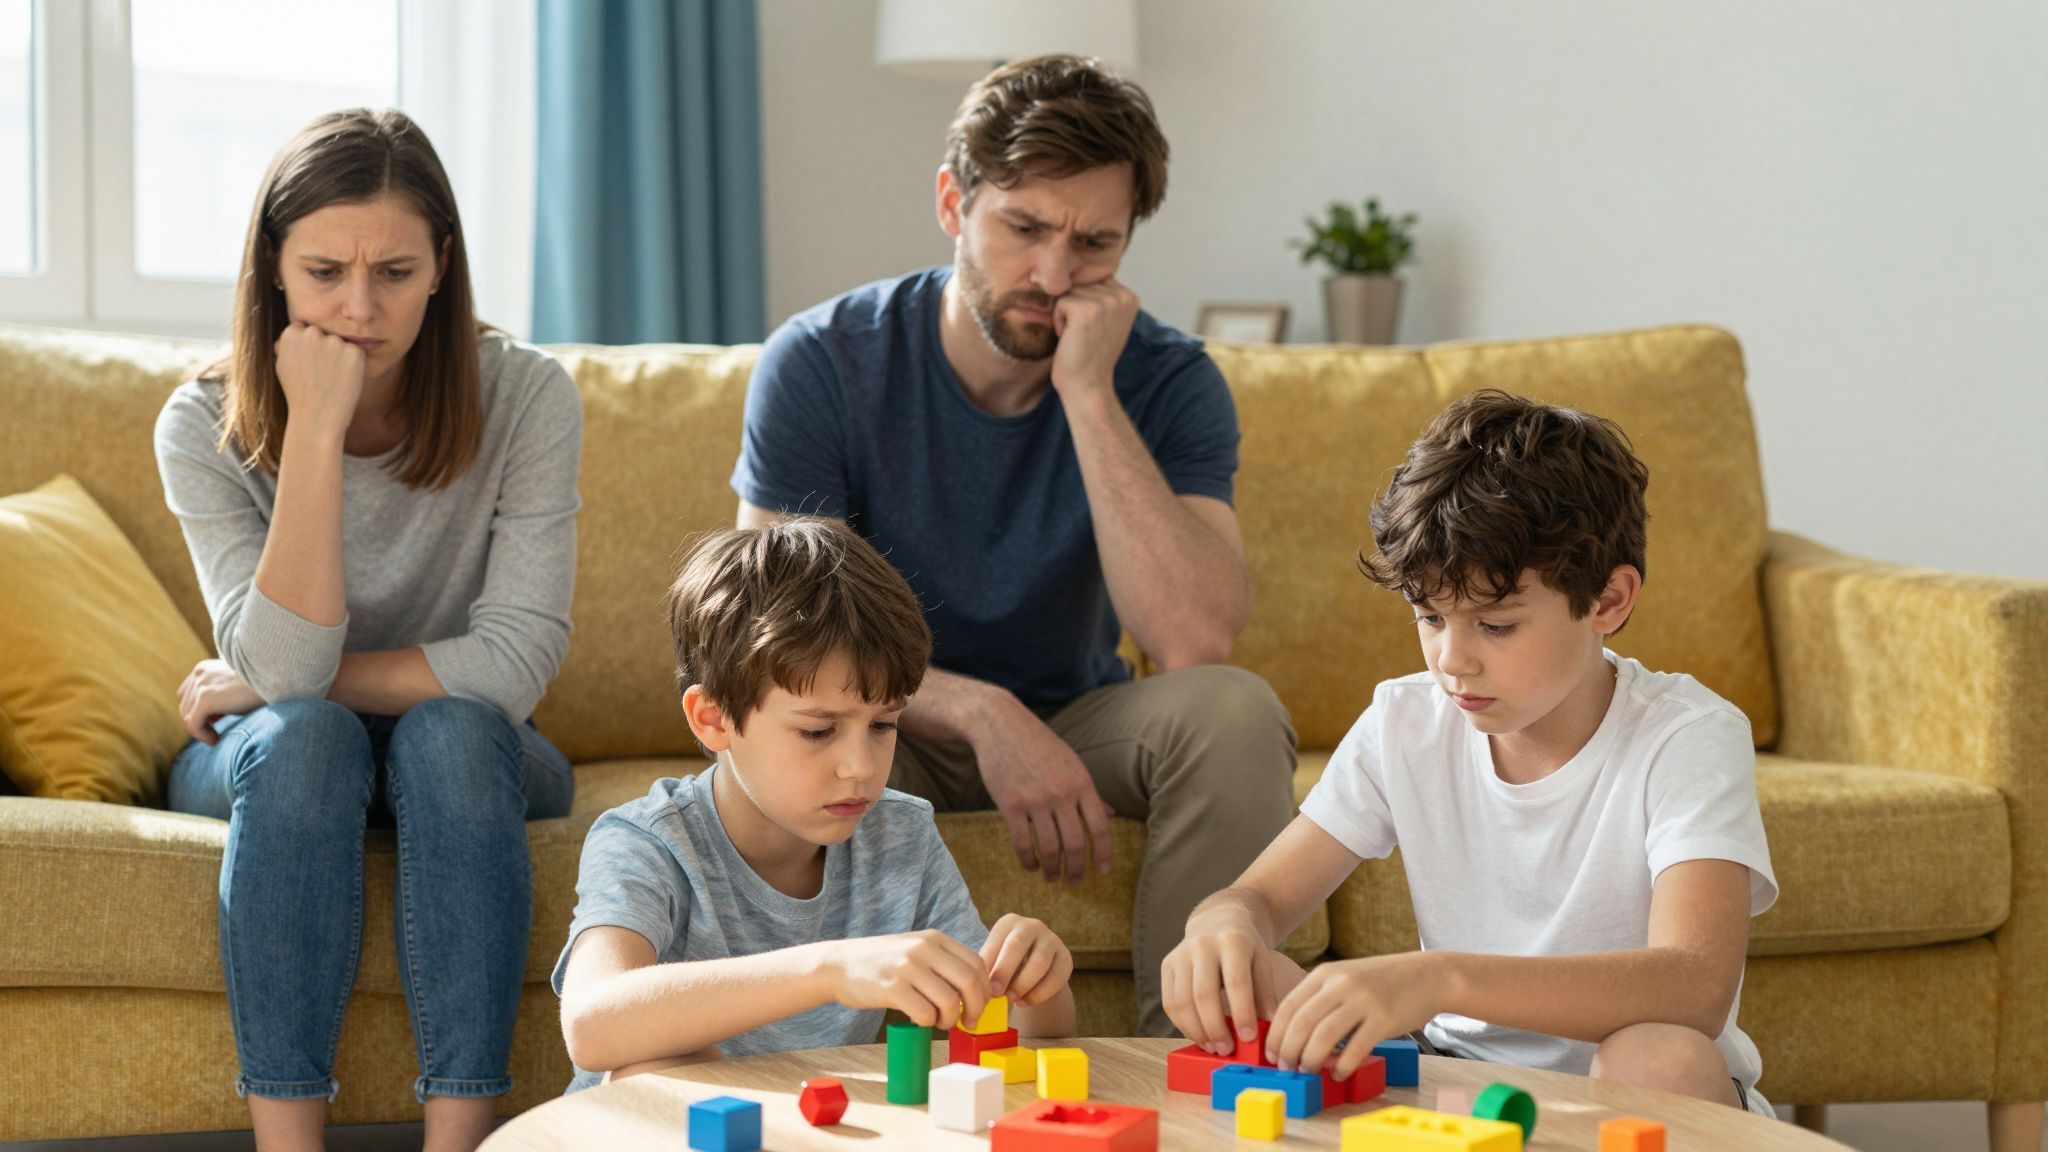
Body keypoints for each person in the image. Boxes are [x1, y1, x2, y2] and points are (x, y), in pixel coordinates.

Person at [730, 53, 1296, 1038]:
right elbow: (770, 643)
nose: (1051, 274)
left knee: (1232, 713)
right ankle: (814, 1073)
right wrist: (981, 713)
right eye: (1023, 228)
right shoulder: (823, 360)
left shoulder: (1164, 379)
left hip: (1076, 712)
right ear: (953, 202)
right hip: (877, 719)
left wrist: (1086, 392)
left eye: (1093, 243)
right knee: (789, 736)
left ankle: (1192, 1075)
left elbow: (1192, 639)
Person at [1161, 389, 1779, 1116]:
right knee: (1256, 978)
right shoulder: (1407, 720)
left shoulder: (1686, 735)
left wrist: (1441, 979)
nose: (1452, 660)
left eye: (1497, 625)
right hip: (1456, 1087)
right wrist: (1221, 926)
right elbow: (1259, 899)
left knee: (1657, 1056)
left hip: (1641, 1098)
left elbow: (1695, 986)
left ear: (1609, 602)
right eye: (1429, 616)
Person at [153, 108, 583, 1152]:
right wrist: (315, 433)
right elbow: (288, 688)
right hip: (277, 751)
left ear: (442, 265)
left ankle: (462, 1142)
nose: (358, 308)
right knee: (303, 739)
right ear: (272, 273)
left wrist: (273, 676)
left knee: (450, 731)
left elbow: (514, 668)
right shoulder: (198, 425)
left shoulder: (527, 398)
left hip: (473, 747)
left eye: (393, 271)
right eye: (323, 273)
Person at [554, 518, 1075, 1085]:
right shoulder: (649, 842)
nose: (861, 766)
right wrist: (830, 970)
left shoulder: (900, 834)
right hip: (629, 1131)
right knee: (660, 1062)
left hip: (801, 1132)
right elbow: (591, 1023)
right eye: (818, 731)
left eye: (883, 725)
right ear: (714, 719)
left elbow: (1020, 1042)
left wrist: (1035, 983)